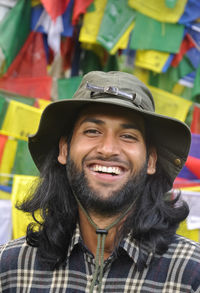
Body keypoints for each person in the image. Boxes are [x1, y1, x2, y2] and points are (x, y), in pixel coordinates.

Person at [0, 71, 200, 293]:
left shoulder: (191, 273)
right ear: (64, 150)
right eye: (92, 131)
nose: (108, 149)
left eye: (128, 136)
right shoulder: (10, 269)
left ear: (151, 160)